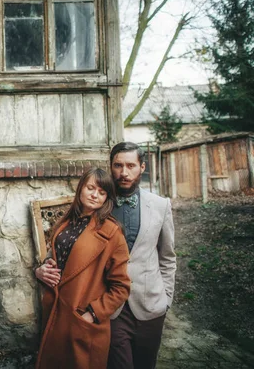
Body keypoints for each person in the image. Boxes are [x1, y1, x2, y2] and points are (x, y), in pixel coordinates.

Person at [35, 168, 131, 369]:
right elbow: (59, 259)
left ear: (107, 198)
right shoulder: (67, 221)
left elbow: (121, 288)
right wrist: (41, 269)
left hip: (81, 322)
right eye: (90, 188)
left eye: (102, 192)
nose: (95, 195)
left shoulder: (112, 233)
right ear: (81, 188)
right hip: (55, 312)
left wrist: (93, 314)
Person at [107, 142, 176, 369]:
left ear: (142, 167)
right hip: (113, 308)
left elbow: (167, 256)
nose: (124, 172)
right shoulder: (99, 204)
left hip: (151, 307)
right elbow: (68, 240)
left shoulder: (160, 205)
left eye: (130, 165)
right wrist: (45, 265)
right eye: (118, 165)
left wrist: (166, 299)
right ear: (111, 167)